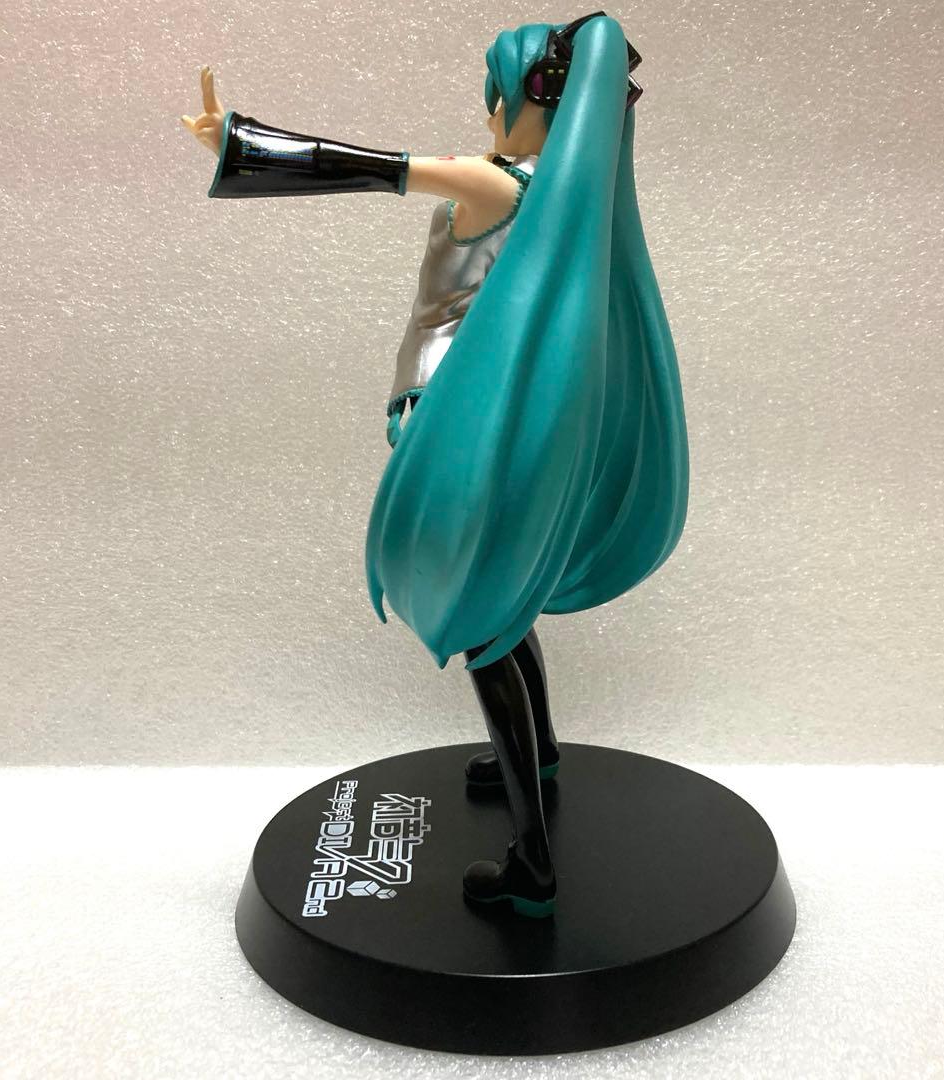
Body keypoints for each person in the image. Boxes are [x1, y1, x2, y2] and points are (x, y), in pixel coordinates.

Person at [181, 13, 689, 918]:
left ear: (525, 101)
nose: (488, 110)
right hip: (481, 417)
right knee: (503, 608)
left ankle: (534, 863)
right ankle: (538, 756)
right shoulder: (566, 199)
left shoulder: (497, 180)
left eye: (497, 93)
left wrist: (240, 144)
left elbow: (368, 167)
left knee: (478, 620)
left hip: (454, 420)